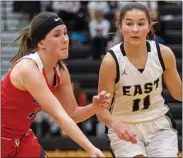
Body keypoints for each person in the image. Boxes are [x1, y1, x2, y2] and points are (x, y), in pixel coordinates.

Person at [1, 11, 111, 157]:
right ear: (41, 42)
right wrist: (90, 148)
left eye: (65, 33)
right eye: (57, 34)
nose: (65, 39)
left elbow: (71, 114)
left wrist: (94, 107)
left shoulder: (61, 71)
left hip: (21, 139)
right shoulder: (28, 69)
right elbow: (60, 116)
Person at [96, 2, 182, 157]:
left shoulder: (164, 54)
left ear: (149, 27)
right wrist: (115, 124)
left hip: (158, 124)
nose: (135, 29)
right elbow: (101, 110)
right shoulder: (111, 61)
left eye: (141, 24)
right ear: (120, 27)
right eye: (129, 24)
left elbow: (179, 94)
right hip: (124, 125)